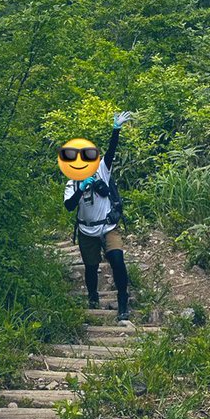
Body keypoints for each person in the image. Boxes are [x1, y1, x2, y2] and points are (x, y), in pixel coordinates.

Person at [62, 111, 132, 323]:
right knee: (91, 267)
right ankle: (93, 297)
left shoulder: (102, 170)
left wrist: (116, 130)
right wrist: (81, 188)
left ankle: (122, 304)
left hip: (107, 226)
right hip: (86, 230)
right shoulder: (71, 183)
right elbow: (69, 206)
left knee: (118, 261)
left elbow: (110, 153)